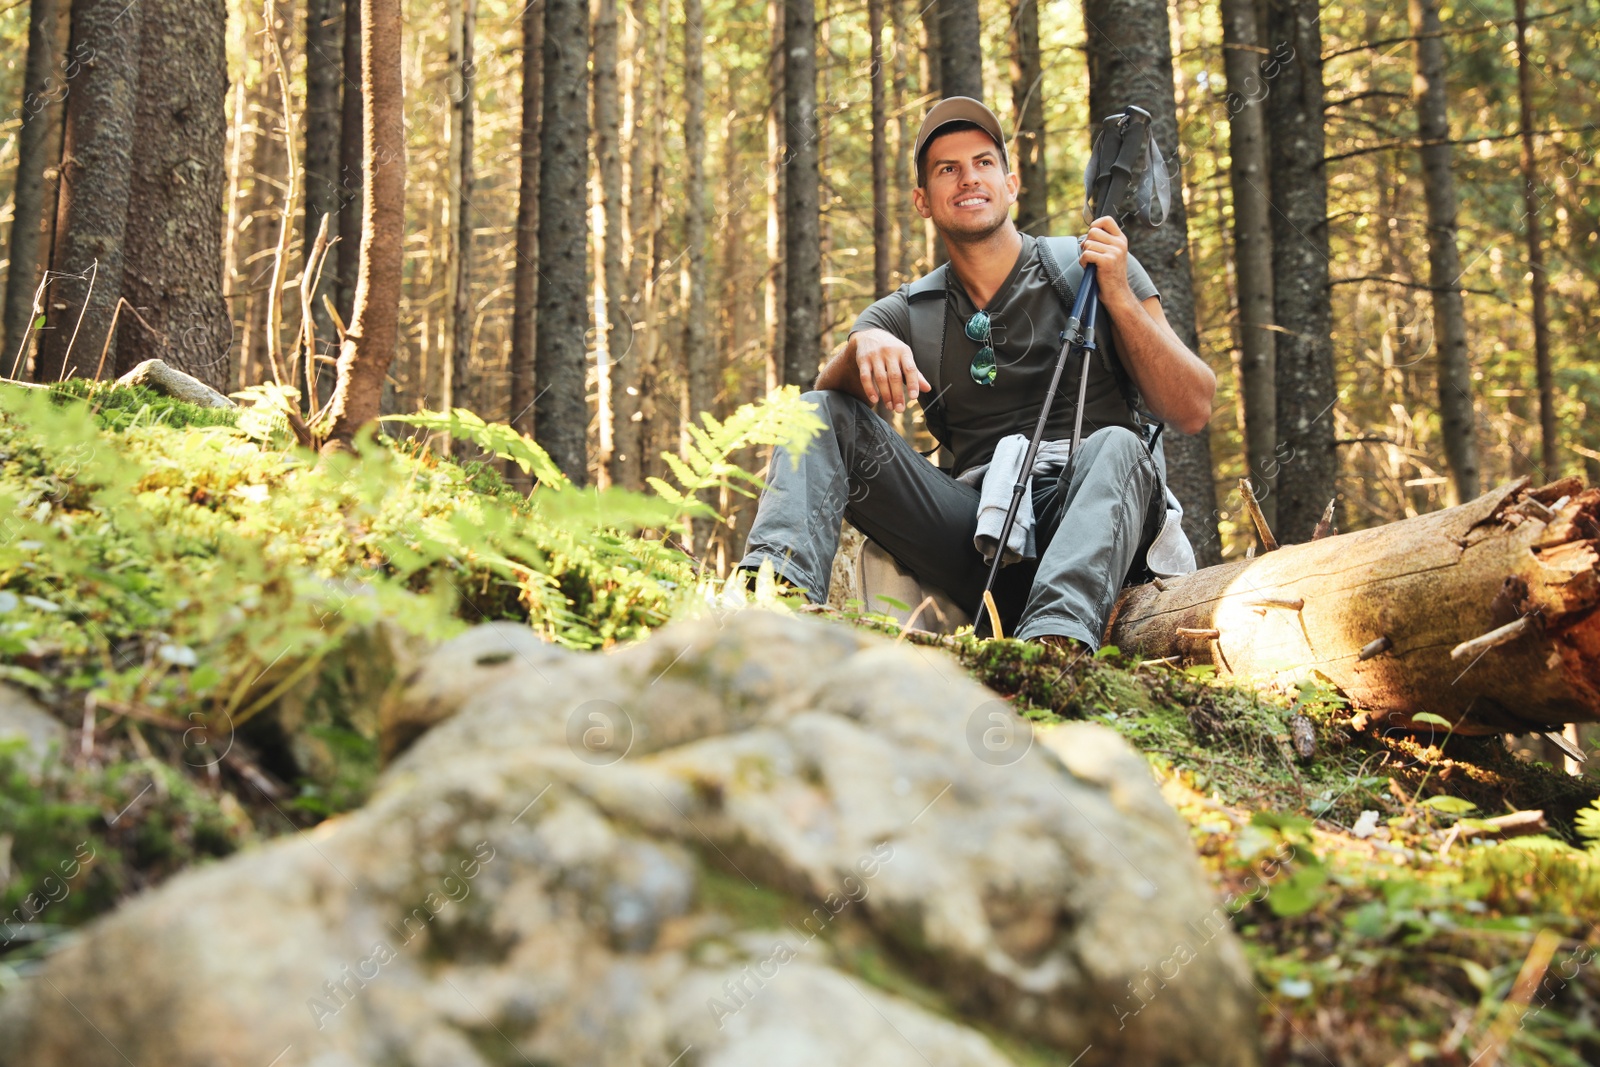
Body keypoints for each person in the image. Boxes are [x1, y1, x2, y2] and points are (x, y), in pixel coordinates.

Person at [738, 97, 1215, 649]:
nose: (969, 179)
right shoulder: (910, 312)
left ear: (1011, 184)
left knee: (1116, 445)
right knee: (814, 412)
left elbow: (1192, 407)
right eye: (948, 169)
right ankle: (770, 604)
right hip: (985, 543)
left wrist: (1118, 298)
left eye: (983, 163)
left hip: (1103, 529)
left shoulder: (1092, 264)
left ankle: (1052, 648)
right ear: (923, 200)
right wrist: (857, 347)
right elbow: (826, 425)